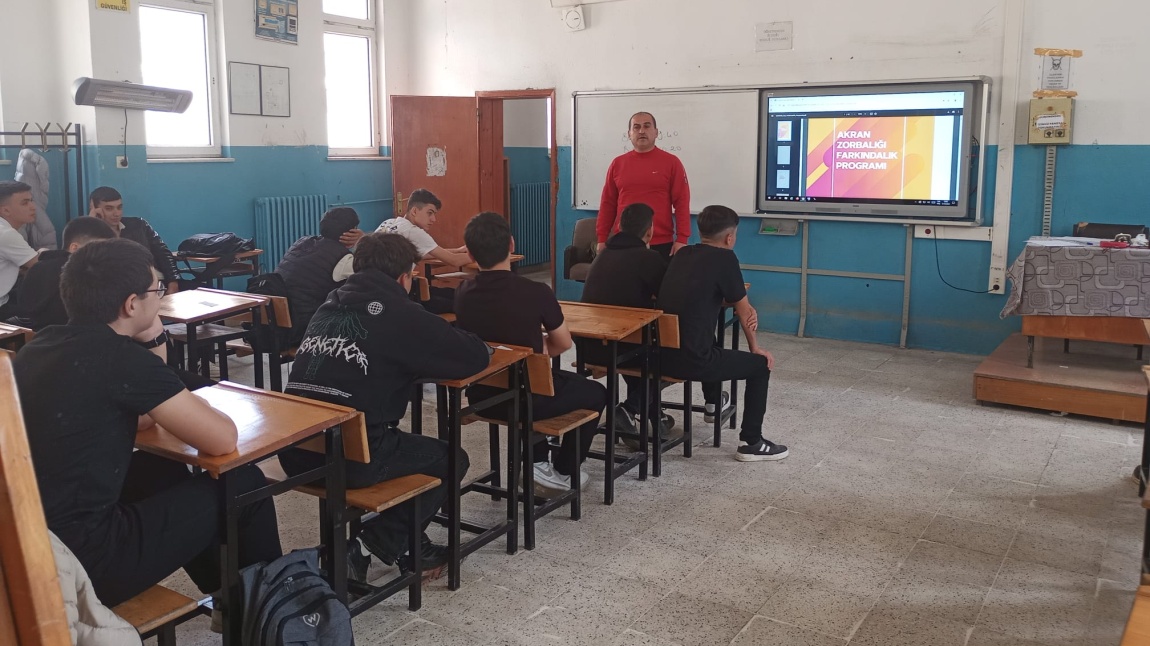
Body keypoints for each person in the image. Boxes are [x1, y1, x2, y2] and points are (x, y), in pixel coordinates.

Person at [13, 238, 282, 606]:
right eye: (156, 289)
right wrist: (156, 339)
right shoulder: (121, 359)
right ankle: (273, 612)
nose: (160, 296)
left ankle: (231, 600)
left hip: (28, 543)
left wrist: (153, 339)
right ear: (131, 304)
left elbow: (138, 420)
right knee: (244, 484)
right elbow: (222, 439)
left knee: (155, 468)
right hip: (86, 562)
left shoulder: (39, 346)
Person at [280, 232, 490, 579]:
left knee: (399, 445)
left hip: (297, 451)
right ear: (405, 277)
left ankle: (412, 544)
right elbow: (471, 355)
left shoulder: (330, 302)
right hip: (351, 458)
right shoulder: (400, 313)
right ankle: (363, 548)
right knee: (451, 459)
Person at [455, 212, 607, 494]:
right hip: (526, 398)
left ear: (470, 254)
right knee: (595, 392)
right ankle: (561, 469)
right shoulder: (535, 291)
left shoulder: (463, 291)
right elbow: (563, 343)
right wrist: (538, 347)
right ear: (511, 245)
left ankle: (539, 458)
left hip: (481, 396)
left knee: (541, 382)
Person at [657, 205, 788, 462]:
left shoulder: (682, 254)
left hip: (660, 354)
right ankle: (751, 442)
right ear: (730, 237)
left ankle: (715, 403)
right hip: (692, 361)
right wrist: (756, 349)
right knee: (760, 367)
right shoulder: (725, 259)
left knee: (707, 339)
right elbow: (744, 311)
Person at [580, 202, 675, 442]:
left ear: (619, 226)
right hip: (623, 347)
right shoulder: (649, 258)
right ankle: (630, 410)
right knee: (670, 357)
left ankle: (648, 418)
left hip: (589, 347)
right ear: (650, 232)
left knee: (638, 344)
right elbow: (667, 299)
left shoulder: (602, 256)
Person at [342, 188, 469, 314]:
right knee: (462, 301)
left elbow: (421, 254)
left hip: (376, 289)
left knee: (448, 293)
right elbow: (454, 261)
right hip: (400, 296)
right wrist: (484, 255)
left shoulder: (388, 223)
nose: (433, 219)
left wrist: (457, 250)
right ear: (414, 211)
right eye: (430, 213)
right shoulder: (414, 232)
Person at [596, 112, 690, 260]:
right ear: (629, 134)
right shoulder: (617, 164)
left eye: (647, 126)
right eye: (636, 127)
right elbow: (608, 203)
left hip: (661, 243)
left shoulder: (672, 163)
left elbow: (682, 202)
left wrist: (682, 239)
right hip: (623, 242)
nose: (641, 131)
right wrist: (602, 238)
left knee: (658, 283)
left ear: (656, 132)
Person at [277, 206, 364, 344]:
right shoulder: (343, 259)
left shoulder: (300, 243)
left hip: (278, 326)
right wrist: (362, 241)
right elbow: (375, 273)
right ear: (352, 232)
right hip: (307, 329)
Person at [18, 216, 115, 330]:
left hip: (36, 338)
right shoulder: (83, 273)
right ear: (74, 248)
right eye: (97, 249)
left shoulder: (37, 267)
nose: (104, 256)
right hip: (73, 337)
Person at [88, 186, 181, 294]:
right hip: (127, 291)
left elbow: (163, 253)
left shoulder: (139, 225)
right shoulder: (92, 236)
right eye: (109, 208)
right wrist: (92, 223)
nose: (116, 213)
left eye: (119, 207)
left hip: (158, 284)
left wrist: (173, 282)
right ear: (95, 209)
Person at [0, 180, 40, 319]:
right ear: (5, 210)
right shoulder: (6, 234)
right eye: (25, 203)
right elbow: (42, 267)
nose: (33, 207)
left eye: (31, 201)